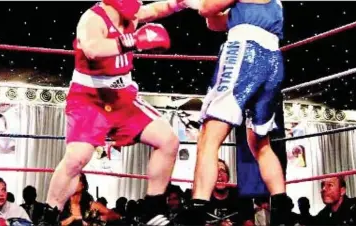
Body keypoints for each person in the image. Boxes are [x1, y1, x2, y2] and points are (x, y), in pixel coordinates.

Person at [43, 0, 197, 225]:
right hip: (90, 97)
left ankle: (152, 211)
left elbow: (154, 10)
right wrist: (133, 40)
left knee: (168, 141)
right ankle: (48, 217)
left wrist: (179, 3)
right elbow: (92, 48)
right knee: (77, 158)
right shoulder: (93, 18)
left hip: (123, 97)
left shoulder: (132, 15)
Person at [180, 0, 289, 224]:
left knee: (209, 138)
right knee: (260, 144)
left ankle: (197, 213)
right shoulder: (272, 5)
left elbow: (206, 8)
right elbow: (215, 22)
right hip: (273, 61)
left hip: (244, 53)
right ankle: (282, 213)